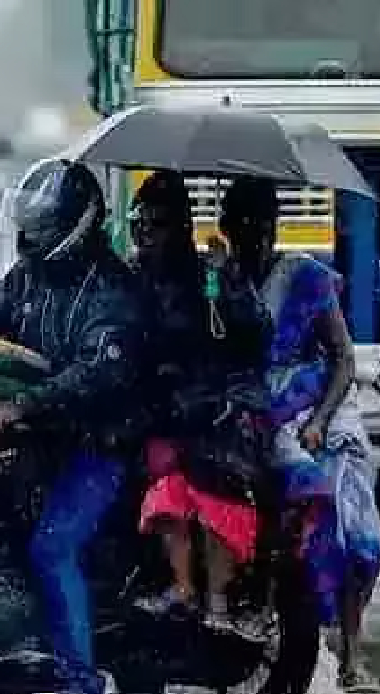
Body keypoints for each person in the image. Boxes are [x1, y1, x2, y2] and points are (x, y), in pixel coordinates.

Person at [0, 158, 148, 694]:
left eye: (43, 228)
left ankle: (82, 687)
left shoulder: (111, 293)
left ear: (77, 223)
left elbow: (96, 373)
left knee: (53, 547)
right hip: (44, 437)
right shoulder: (31, 277)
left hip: (99, 441)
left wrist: (20, 404)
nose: (31, 238)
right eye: (29, 226)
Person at [220, 176, 380, 693]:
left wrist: (317, 421)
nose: (255, 233)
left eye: (263, 222)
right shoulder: (220, 282)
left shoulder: (308, 277)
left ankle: (353, 654)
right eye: (243, 223)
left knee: (353, 533)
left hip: (325, 415)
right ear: (227, 227)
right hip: (258, 416)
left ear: (276, 226)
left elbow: (342, 358)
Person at [128, 171, 273, 640]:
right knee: (163, 478)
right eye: (141, 224)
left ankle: (219, 600)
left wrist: (227, 279)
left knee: (216, 481)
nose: (147, 234)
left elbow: (255, 334)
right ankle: (181, 586)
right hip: (162, 411)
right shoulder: (131, 279)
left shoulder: (210, 275)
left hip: (222, 409)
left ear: (182, 226)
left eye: (158, 224)